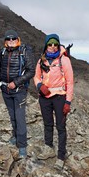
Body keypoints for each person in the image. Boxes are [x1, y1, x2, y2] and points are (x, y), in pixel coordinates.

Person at [0, 30, 35, 159]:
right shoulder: (2, 53)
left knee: (20, 117)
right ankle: (15, 136)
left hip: (19, 91)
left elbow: (31, 71)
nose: (11, 42)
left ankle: (22, 145)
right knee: (12, 116)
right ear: (5, 41)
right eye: (8, 39)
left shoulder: (24, 52)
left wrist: (16, 83)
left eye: (13, 39)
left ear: (18, 39)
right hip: (6, 91)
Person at [34, 33, 74, 165]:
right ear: (46, 45)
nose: (53, 46)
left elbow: (70, 82)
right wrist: (40, 85)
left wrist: (67, 102)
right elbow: (36, 77)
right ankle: (48, 147)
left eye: (55, 44)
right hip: (45, 98)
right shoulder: (41, 61)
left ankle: (61, 156)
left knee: (61, 126)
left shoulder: (64, 60)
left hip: (60, 98)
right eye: (50, 44)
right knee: (47, 124)